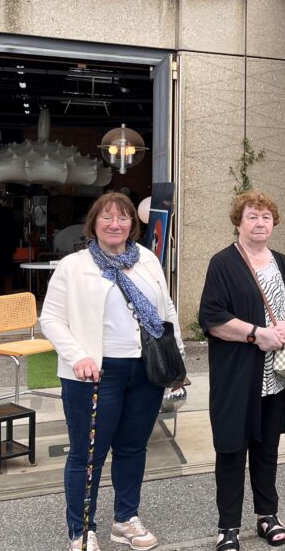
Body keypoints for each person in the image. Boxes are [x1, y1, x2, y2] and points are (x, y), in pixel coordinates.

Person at [40, 192, 183, 551]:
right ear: (94, 223)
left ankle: (125, 520)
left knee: (133, 448)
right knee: (88, 454)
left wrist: (176, 359)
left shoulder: (148, 259)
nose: (115, 224)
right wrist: (78, 356)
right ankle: (81, 529)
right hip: (95, 374)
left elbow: (166, 311)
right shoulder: (73, 266)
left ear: (132, 225)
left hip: (145, 370)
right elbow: (51, 319)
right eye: (107, 218)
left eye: (123, 218)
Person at [199, 190, 285, 551]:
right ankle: (228, 527)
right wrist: (256, 334)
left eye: (266, 217)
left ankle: (267, 515)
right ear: (239, 220)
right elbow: (212, 318)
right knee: (232, 449)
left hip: (276, 378)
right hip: (238, 376)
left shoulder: (282, 262)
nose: (260, 223)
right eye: (252, 215)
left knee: (268, 449)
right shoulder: (223, 263)